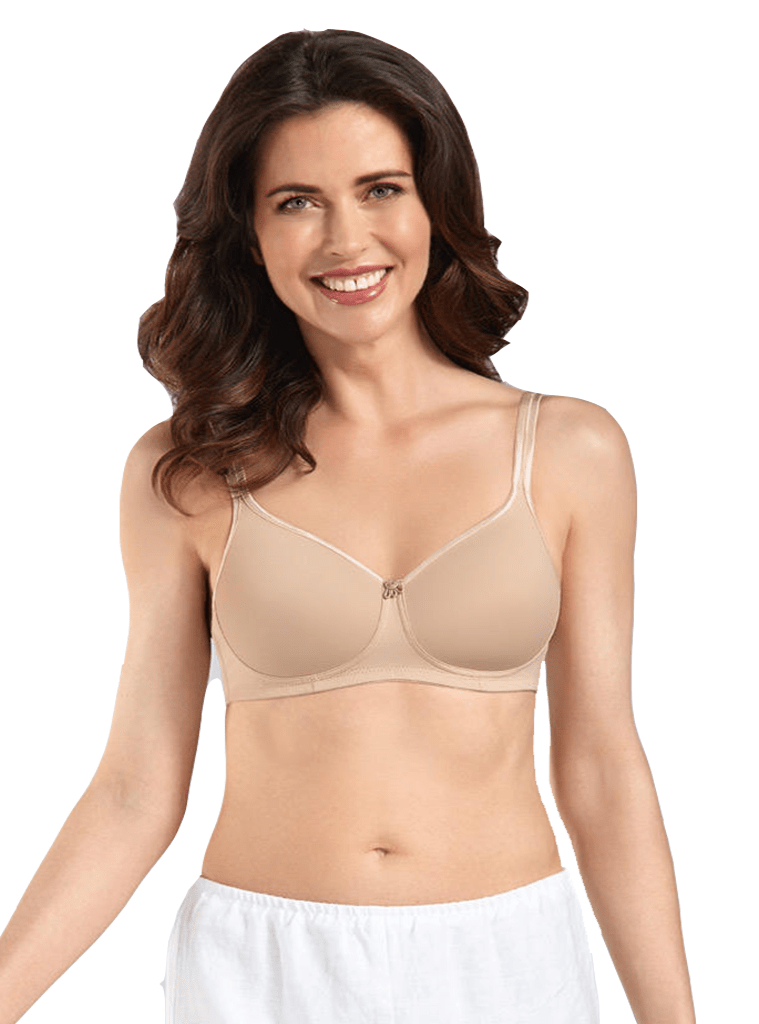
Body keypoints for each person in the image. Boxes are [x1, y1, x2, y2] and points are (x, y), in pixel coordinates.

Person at [0, 27, 697, 1024]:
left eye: (380, 189)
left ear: (434, 204)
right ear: (247, 233)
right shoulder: (189, 472)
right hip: (259, 969)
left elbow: (602, 770)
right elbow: (133, 791)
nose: (345, 240)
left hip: (505, 962)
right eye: (297, 202)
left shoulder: (569, 450)